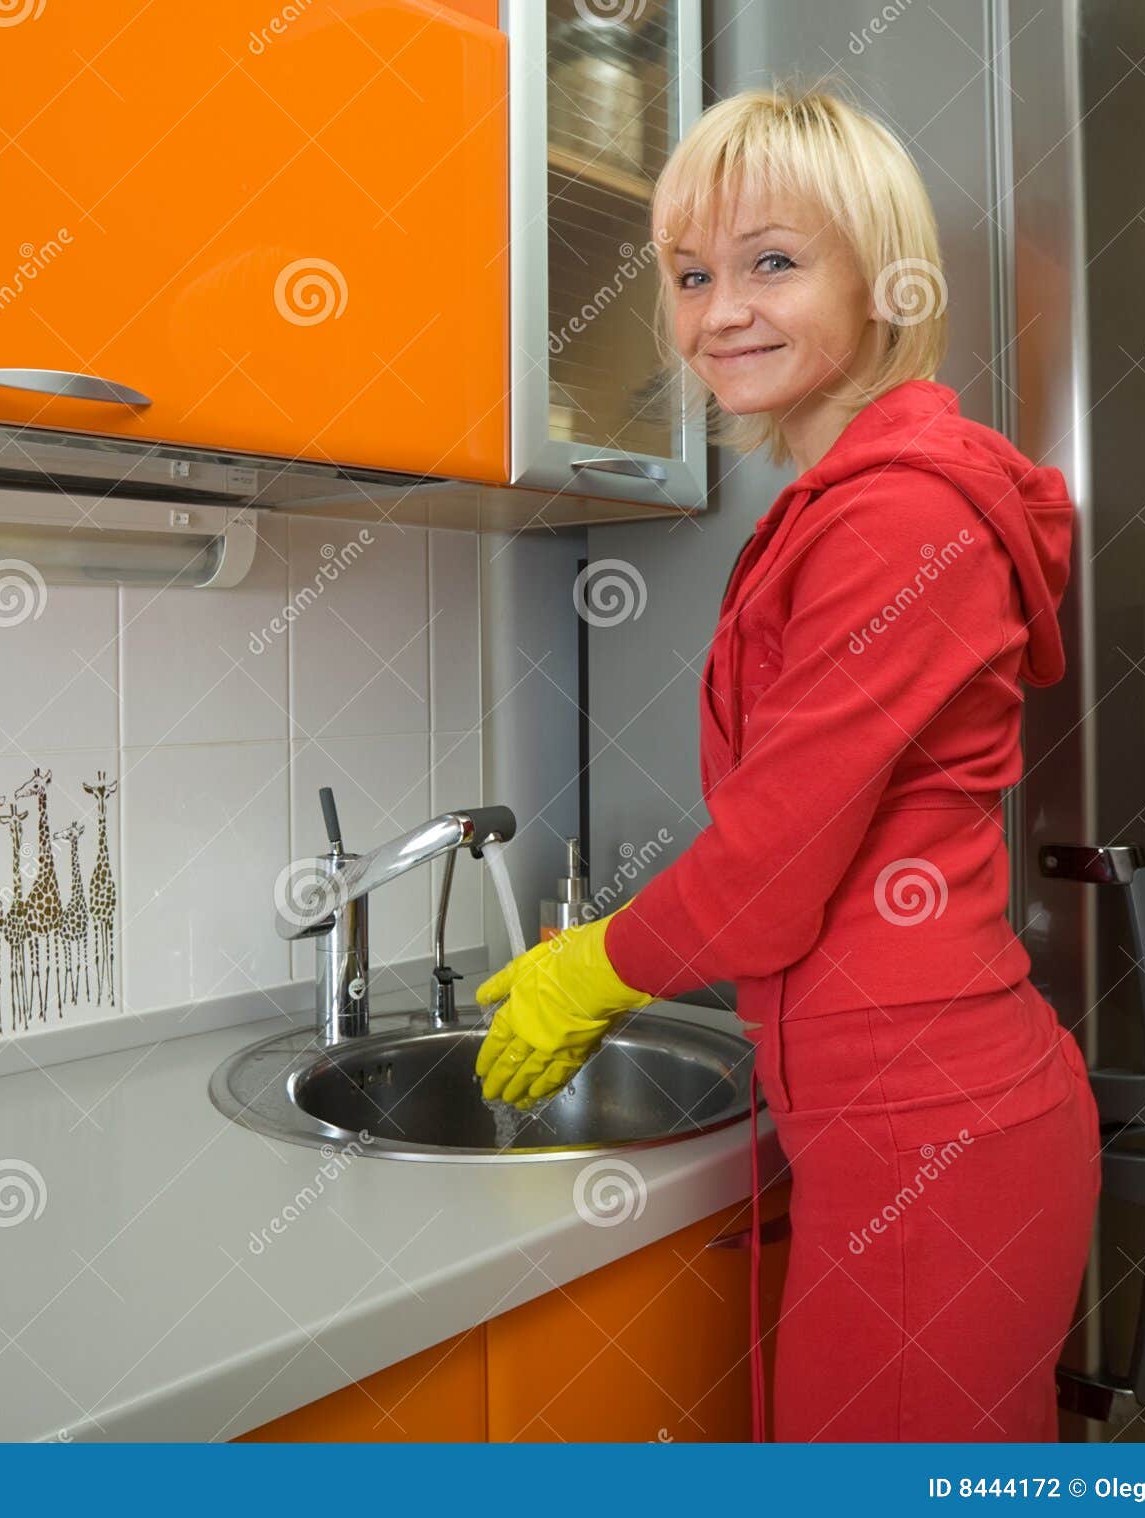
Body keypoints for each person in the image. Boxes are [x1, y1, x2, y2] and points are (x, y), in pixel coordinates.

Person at [472, 84, 1100, 1444]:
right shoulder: (852, 503)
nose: (721, 312)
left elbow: (765, 875)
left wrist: (593, 962)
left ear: (882, 280)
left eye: (773, 261)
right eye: (692, 275)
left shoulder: (895, 521)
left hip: (931, 1135)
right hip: (912, 1117)